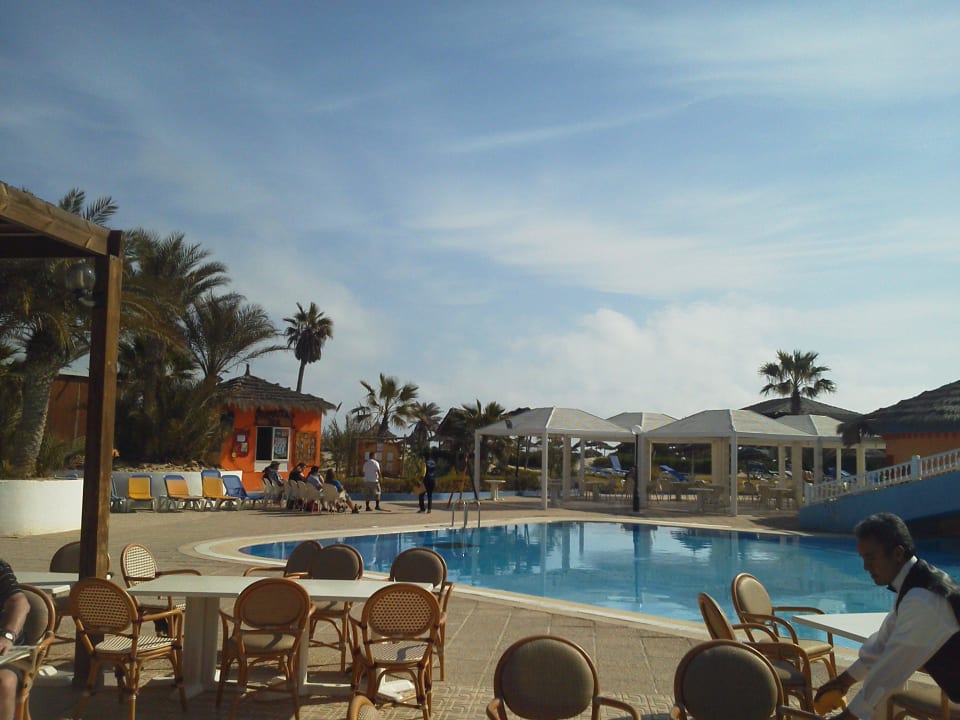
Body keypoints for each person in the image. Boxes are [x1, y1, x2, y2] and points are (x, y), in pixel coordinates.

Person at [815, 513, 960, 720]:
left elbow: (889, 671)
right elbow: (882, 643)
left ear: (898, 553)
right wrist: (843, 682)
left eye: (871, 558)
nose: (866, 567)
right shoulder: (915, 582)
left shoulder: (923, 599)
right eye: (863, 559)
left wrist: (848, 716)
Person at [0, 559, 30, 720]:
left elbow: (20, 603)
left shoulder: (0, 568)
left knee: (4, 681)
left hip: (5, 650)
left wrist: (8, 636)